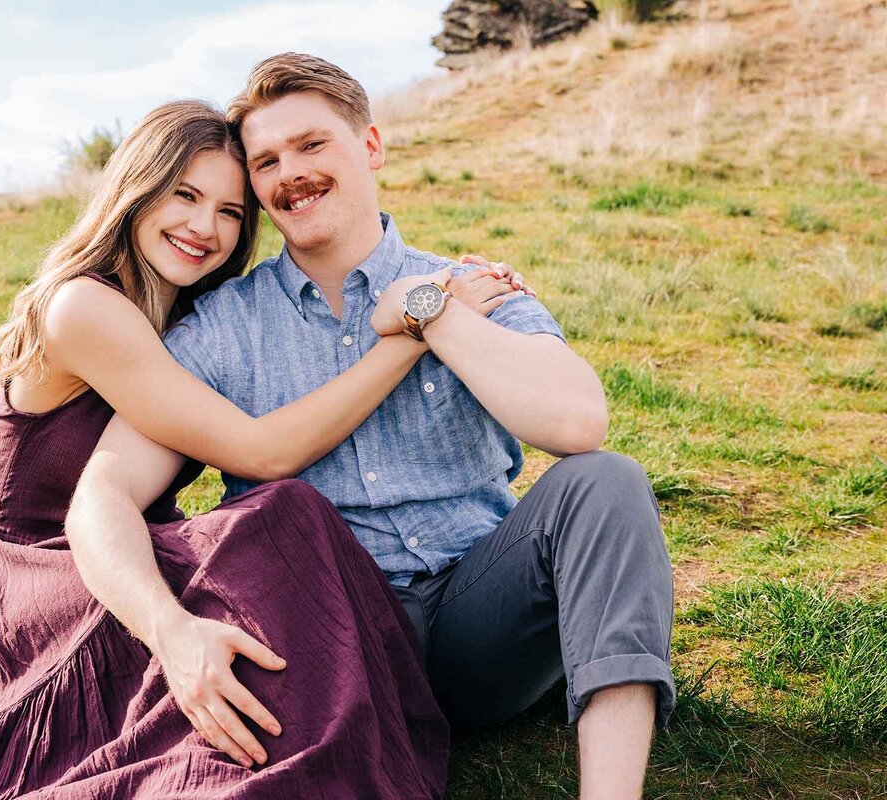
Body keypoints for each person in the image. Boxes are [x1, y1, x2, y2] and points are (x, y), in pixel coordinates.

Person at [0, 99, 524, 799]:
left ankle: (323, 740)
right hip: (49, 574)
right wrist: (413, 332)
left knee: (279, 540)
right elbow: (263, 452)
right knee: (282, 517)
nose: (205, 228)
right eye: (184, 196)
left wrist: (447, 296)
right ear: (136, 188)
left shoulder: (182, 311)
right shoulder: (85, 306)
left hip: (131, 542)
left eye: (231, 212)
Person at [68, 54, 676, 800]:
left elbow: (578, 421)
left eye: (312, 144)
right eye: (267, 161)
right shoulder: (224, 328)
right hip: (324, 645)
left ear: (372, 147)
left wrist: (433, 311)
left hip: (477, 621)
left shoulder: (467, 288)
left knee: (607, 482)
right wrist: (169, 630)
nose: (290, 171)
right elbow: (102, 493)